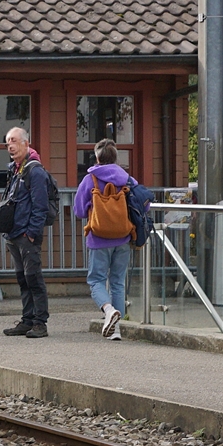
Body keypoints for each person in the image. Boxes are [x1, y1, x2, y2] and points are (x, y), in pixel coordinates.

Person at [73, 138, 134, 341]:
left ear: (97, 157)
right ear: (115, 157)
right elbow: (143, 205)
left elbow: (79, 210)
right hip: (123, 237)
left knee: (96, 280)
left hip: (99, 238)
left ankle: (109, 312)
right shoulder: (127, 179)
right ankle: (116, 329)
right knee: (117, 281)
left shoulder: (90, 180)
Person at [1, 126, 51, 338]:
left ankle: (40, 322)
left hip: (26, 235)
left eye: (13, 141)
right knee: (22, 278)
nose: (10, 146)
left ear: (25, 143)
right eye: (7, 143)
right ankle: (27, 319)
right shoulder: (15, 170)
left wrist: (31, 233)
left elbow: (40, 206)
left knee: (33, 278)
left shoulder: (35, 171)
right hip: (14, 234)